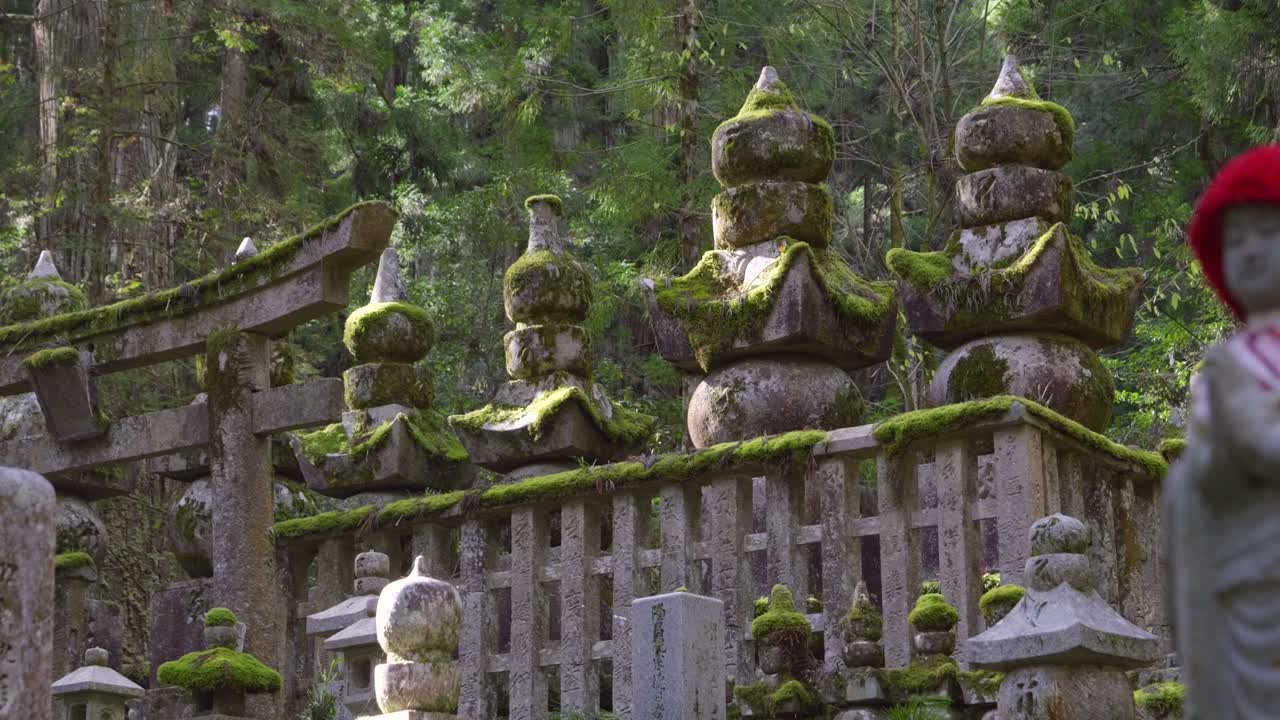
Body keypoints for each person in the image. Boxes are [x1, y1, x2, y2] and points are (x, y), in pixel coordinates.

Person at [1168, 144, 1280, 719]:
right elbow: (1210, 466)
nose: (1253, 251)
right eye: (1237, 241)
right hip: (1248, 568)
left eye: (1268, 233)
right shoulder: (1226, 364)